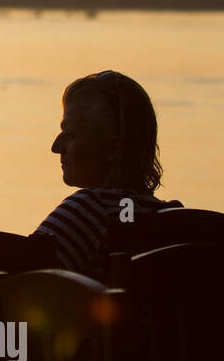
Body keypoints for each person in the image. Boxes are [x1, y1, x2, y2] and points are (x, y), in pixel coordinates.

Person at [36, 70, 181, 278]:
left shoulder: (91, 211)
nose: (56, 147)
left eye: (70, 134)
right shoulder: (173, 222)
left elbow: (14, 286)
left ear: (113, 149)